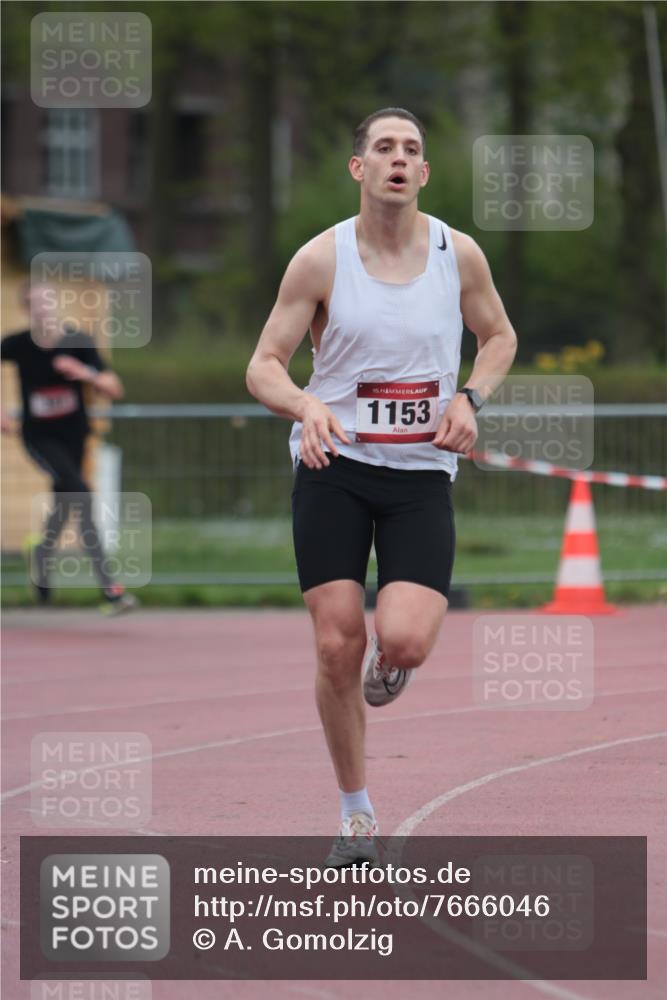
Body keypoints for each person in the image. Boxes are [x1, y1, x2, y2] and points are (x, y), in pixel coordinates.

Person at [246, 108, 517, 865]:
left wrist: (470, 398)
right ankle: (356, 813)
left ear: (422, 173)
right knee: (337, 643)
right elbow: (262, 362)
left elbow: (498, 336)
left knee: (401, 639)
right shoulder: (319, 259)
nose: (398, 159)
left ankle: (392, 663)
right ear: (358, 168)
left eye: (411, 150)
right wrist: (305, 404)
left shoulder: (455, 254)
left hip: (419, 474)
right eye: (384, 148)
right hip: (333, 469)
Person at [1, 282, 137, 614]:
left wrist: (84, 373)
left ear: (56, 306)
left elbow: (114, 387)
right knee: (80, 494)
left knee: (66, 502)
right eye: (35, 305)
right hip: (38, 439)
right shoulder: (18, 345)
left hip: (75, 437)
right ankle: (111, 589)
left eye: (47, 304)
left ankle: (43, 557)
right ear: (26, 310)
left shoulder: (79, 342)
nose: (42, 311)